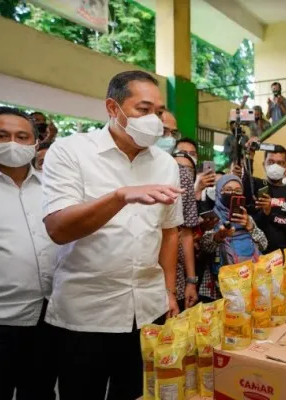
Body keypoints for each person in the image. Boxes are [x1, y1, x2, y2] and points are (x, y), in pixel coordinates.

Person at [42, 70, 185, 400]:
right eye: (143, 109)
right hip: (86, 312)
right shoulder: (70, 152)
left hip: (148, 309)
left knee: (137, 392)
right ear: (112, 107)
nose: (155, 120)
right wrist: (120, 196)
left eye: (159, 111)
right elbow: (58, 229)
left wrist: (168, 291)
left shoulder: (166, 163)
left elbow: (169, 232)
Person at [0, 106, 58, 400]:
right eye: (1, 135)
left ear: (35, 143)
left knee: (40, 392)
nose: (12, 143)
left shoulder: (50, 188)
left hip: (47, 318)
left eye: (22, 137)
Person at [199, 174, 267, 297]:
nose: (232, 193)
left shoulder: (247, 218)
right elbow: (204, 247)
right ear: (219, 192)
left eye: (237, 190)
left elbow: (264, 245)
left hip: (250, 279)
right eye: (228, 189)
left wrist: (250, 227)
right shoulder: (212, 218)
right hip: (222, 285)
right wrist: (218, 237)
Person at [161, 111, 200, 312]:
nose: (168, 138)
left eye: (172, 133)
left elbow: (185, 234)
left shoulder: (181, 175)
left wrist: (191, 280)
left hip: (171, 275)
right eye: (163, 131)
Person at [243, 140, 286, 253]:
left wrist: (270, 213)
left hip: (279, 252)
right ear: (263, 164)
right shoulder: (255, 184)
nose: (275, 166)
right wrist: (249, 155)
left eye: (280, 163)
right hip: (254, 251)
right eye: (270, 162)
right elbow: (245, 178)